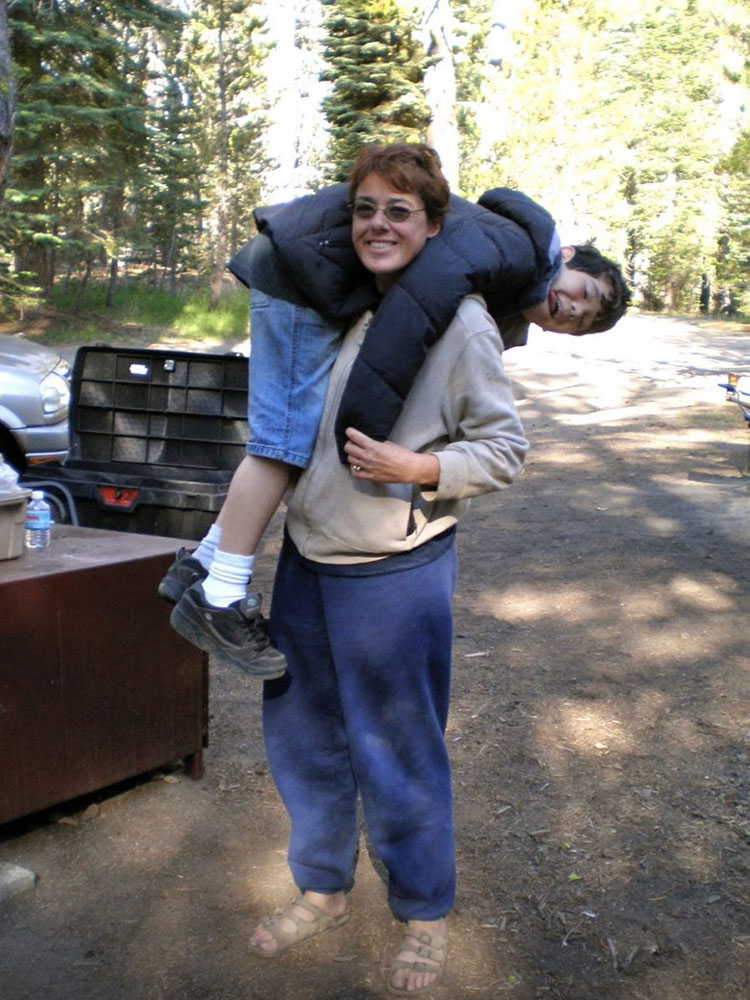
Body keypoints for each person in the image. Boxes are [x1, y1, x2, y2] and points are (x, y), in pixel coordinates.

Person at [163, 163, 630, 680]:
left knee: (291, 432)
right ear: (565, 257)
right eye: (583, 292)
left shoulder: (509, 276)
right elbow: (419, 303)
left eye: (580, 322)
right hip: (298, 270)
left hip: (304, 267)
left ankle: (205, 559)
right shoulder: (520, 254)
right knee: (282, 443)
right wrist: (364, 419)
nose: (571, 310)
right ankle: (221, 594)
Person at [245, 141, 528, 994]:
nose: (377, 225)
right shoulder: (330, 307)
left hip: (395, 569)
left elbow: (505, 447)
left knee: (399, 748)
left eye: (399, 212)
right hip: (308, 557)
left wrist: (422, 469)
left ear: (434, 227)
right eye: (366, 208)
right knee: (304, 741)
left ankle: (424, 913)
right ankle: (324, 889)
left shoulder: (463, 323)